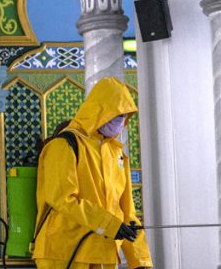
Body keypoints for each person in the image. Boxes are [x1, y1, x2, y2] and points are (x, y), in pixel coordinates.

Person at [33, 77, 153, 269]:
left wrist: (140, 261)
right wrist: (109, 224)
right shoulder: (64, 146)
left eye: (125, 116)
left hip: (102, 254)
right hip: (63, 253)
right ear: (99, 111)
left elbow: (127, 213)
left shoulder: (117, 154)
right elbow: (63, 199)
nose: (121, 122)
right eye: (117, 115)